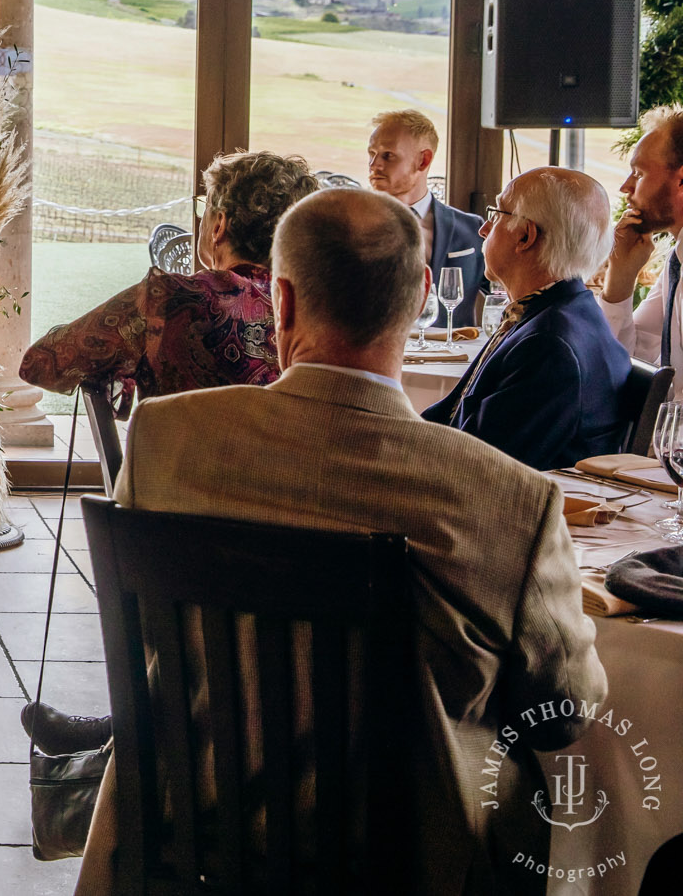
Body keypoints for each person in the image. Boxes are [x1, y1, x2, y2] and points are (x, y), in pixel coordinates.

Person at [60, 188, 605, 896]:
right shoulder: (507, 499)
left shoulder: (166, 439)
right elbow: (565, 712)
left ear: (281, 302)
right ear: (418, 304)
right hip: (412, 865)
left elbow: (148, 644)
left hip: (196, 831)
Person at [19, 151, 318, 405]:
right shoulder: (317, 311)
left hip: (178, 472)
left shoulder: (172, 298)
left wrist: (123, 367)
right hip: (295, 473)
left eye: (205, 208)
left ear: (219, 226)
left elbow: (41, 365)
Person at [423, 167, 630, 470]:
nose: (483, 230)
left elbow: (481, 467)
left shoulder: (549, 345)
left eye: (496, 215)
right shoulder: (559, 312)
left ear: (525, 236)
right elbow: (452, 417)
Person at [367, 107, 485, 326]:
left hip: (452, 358)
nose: (374, 165)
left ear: (423, 160)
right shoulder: (353, 227)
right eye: (371, 154)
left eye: (387, 155)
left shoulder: (471, 230)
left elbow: (510, 293)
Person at [598, 103, 683, 365]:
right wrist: (621, 277)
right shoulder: (677, 260)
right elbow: (625, 360)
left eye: (639, 173)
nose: (626, 187)